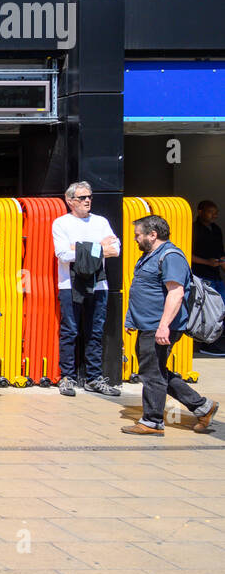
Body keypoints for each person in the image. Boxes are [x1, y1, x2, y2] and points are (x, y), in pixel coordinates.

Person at [122, 215, 220, 436]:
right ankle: (202, 406)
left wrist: (164, 326)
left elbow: (176, 294)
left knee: (152, 374)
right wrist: (131, 319)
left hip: (161, 327)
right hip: (147, 325)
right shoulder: (150, 256)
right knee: (155, 371)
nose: (135, 239)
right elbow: (141, 289)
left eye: (138, 235)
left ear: (152, 235)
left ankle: (152, 421)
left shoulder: (170, 256)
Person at [51, 181, 122, 397]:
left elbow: (116, 250)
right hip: (70, 284)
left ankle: (94, 378)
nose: (87, 200)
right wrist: (100, 247)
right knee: (70, 331)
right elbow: (63, 254)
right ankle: (67, 377)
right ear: (70, 200)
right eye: (82, 198)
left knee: (95, 332)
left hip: (98, 284)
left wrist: (80, 247)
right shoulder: (61, 223)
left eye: (89, 196)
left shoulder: (101, 222)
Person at [191, 201, 224, 297]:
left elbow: (220, 253)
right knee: (208, 308)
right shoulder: (193, 229)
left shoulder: (216, 229)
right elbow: (186, 253)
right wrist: (207, 262)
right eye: (211, 212)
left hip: (216, 276)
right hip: (200, 276)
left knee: (222, 306)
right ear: (200, 212)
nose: (214, 215)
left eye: (216, 213)